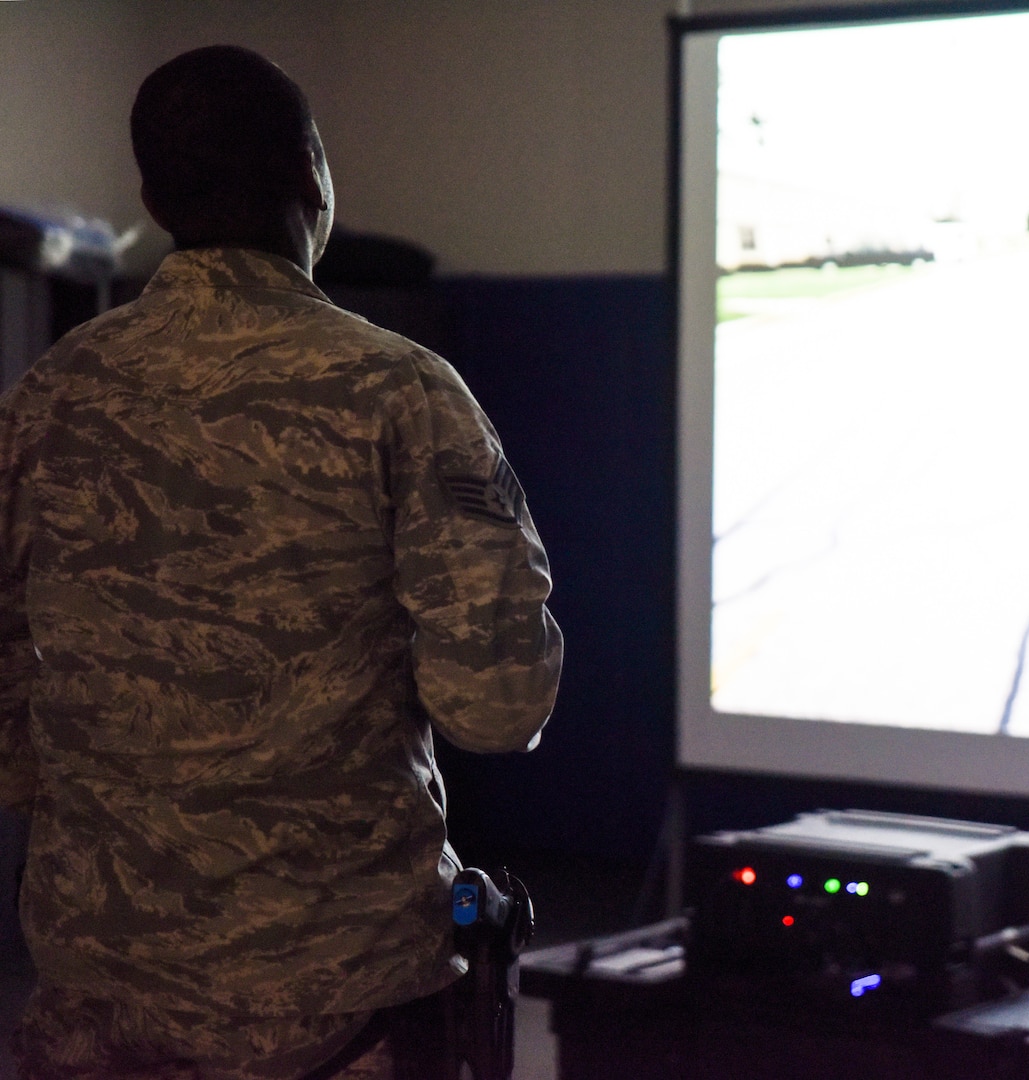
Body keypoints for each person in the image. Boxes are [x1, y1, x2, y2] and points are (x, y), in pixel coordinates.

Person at [0, 45, 563, 1079]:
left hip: (96, 993)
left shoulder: (47, 396)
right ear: (314, 172)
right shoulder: (397, 390)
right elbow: (499, 705)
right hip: (332, 1005)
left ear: (153, 196)